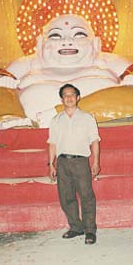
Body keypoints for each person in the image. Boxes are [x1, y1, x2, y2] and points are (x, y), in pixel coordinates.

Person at [0, 14, 133, 129]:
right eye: (56, 36)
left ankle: (57, 117)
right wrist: (2, 81)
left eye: (79, 34)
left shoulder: (105, 59)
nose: (67, 41)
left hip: (94, 117)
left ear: (95, 43)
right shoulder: (30, 62)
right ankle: (11, 120)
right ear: (41, 44)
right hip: (30, 120)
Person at [47, 83, 100, 245]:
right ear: (62, 99)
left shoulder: (87, 118)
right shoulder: (56, 120)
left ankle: (90, 230)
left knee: (86, 196)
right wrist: (51, 164)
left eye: (72, 95)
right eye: (65, 95)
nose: (69, 97)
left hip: (81, 162)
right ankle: (76, 227)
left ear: (78, 98)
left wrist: (96, 162)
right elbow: (53, 143)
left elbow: (95, 141)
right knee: (66, 196)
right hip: (62, 162)